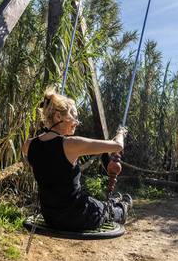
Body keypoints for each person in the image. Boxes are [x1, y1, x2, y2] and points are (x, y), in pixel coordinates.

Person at [22, 88, 133, 231]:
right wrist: (120, 133)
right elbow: (117, 146)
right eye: (74, 116)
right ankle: (122, 207)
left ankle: (114, 202)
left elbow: (48, 160)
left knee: (94, 202)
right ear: (58, 117)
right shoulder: (71, 144)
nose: (77, 122)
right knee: (105, 211)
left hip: (50, 216)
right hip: (77, 217)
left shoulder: (28, 145)